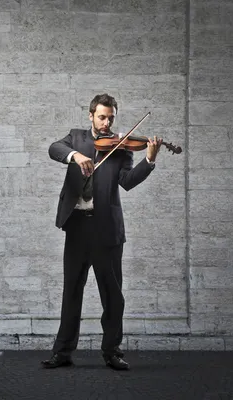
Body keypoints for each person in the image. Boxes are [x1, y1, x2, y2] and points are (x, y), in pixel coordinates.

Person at [41, 93, 162, 371]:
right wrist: (75, 155)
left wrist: (150, 161)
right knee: (72, 289)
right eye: (102, 117)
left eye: (111, 117)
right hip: (77, 226)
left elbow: (128, 182)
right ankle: (63, 352)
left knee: (112, 293)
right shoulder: (75, 138)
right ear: (91, 116)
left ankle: (112, 351)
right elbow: (53, 149)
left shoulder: (122, 149)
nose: (107, 123)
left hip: (106, 229)